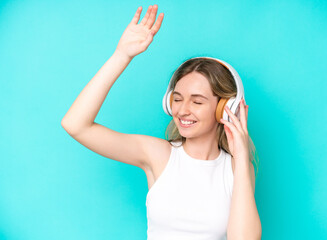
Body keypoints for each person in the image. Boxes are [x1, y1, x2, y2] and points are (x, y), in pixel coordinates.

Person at [61, 4, 261, 240]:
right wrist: (121, 56)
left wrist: (240, 153)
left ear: (224, 108)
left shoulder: (238, 168)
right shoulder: (158, 154)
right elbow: (75, 124)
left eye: (197, 102)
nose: (183, 110)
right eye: (177, 99)